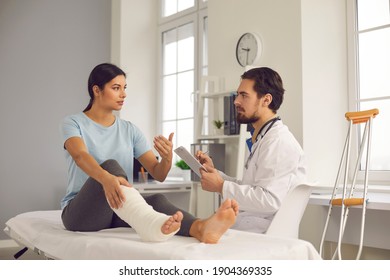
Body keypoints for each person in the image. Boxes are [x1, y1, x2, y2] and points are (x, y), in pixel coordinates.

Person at [60, 62, 238, 243]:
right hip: (80, 214)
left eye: (124, 88)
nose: (123, 94)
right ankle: (149, 225)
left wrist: (167, 158)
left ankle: (201, 228)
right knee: (111, 166)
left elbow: (158, 173)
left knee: (156, 200)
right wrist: (107, 179)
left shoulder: (130, 130)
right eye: (116, 88)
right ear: (96, 90)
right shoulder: (73, 123)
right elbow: (80, 156)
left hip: (116, 209)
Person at [197, 67, 307, 234]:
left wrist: (221, 186)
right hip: (249, 225)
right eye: (238, 95)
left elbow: (269, 200)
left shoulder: (278, 142)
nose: (236, 101)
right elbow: (252, 188)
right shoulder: (265, 138)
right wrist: (218, 177)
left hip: (261, 233)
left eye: (244, 95)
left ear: (266, 100)